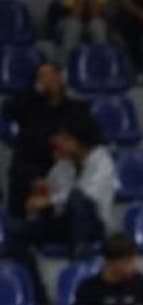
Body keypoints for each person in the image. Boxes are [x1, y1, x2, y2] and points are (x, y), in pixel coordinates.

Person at [7, 113, 116, 305]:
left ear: (80, 141)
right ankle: (38, 296)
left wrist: (49, 201)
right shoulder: (64, 163)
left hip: (93, 225)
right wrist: (39, 196)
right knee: (16, 230)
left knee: (78, 200)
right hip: (65, 221)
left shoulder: (102, 160)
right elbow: (51, 191)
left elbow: (85, 196)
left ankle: (78, 263)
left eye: (66, 138)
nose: (58, 142)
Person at [4, 61, 92, 220]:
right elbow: (9, 110)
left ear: (60, 77)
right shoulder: (29, 105)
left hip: (64, 170)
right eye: (41, 77)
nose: (47, 80)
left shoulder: (76, 108)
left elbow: (89, 139)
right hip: (28, 171)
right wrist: (35, 91)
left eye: (50, 75)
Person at [70, 231, 143, 305]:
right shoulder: (87, 288)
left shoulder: (139, 281)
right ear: (111, 263)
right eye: (128, 261)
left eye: (134, 259)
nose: (134, 265)